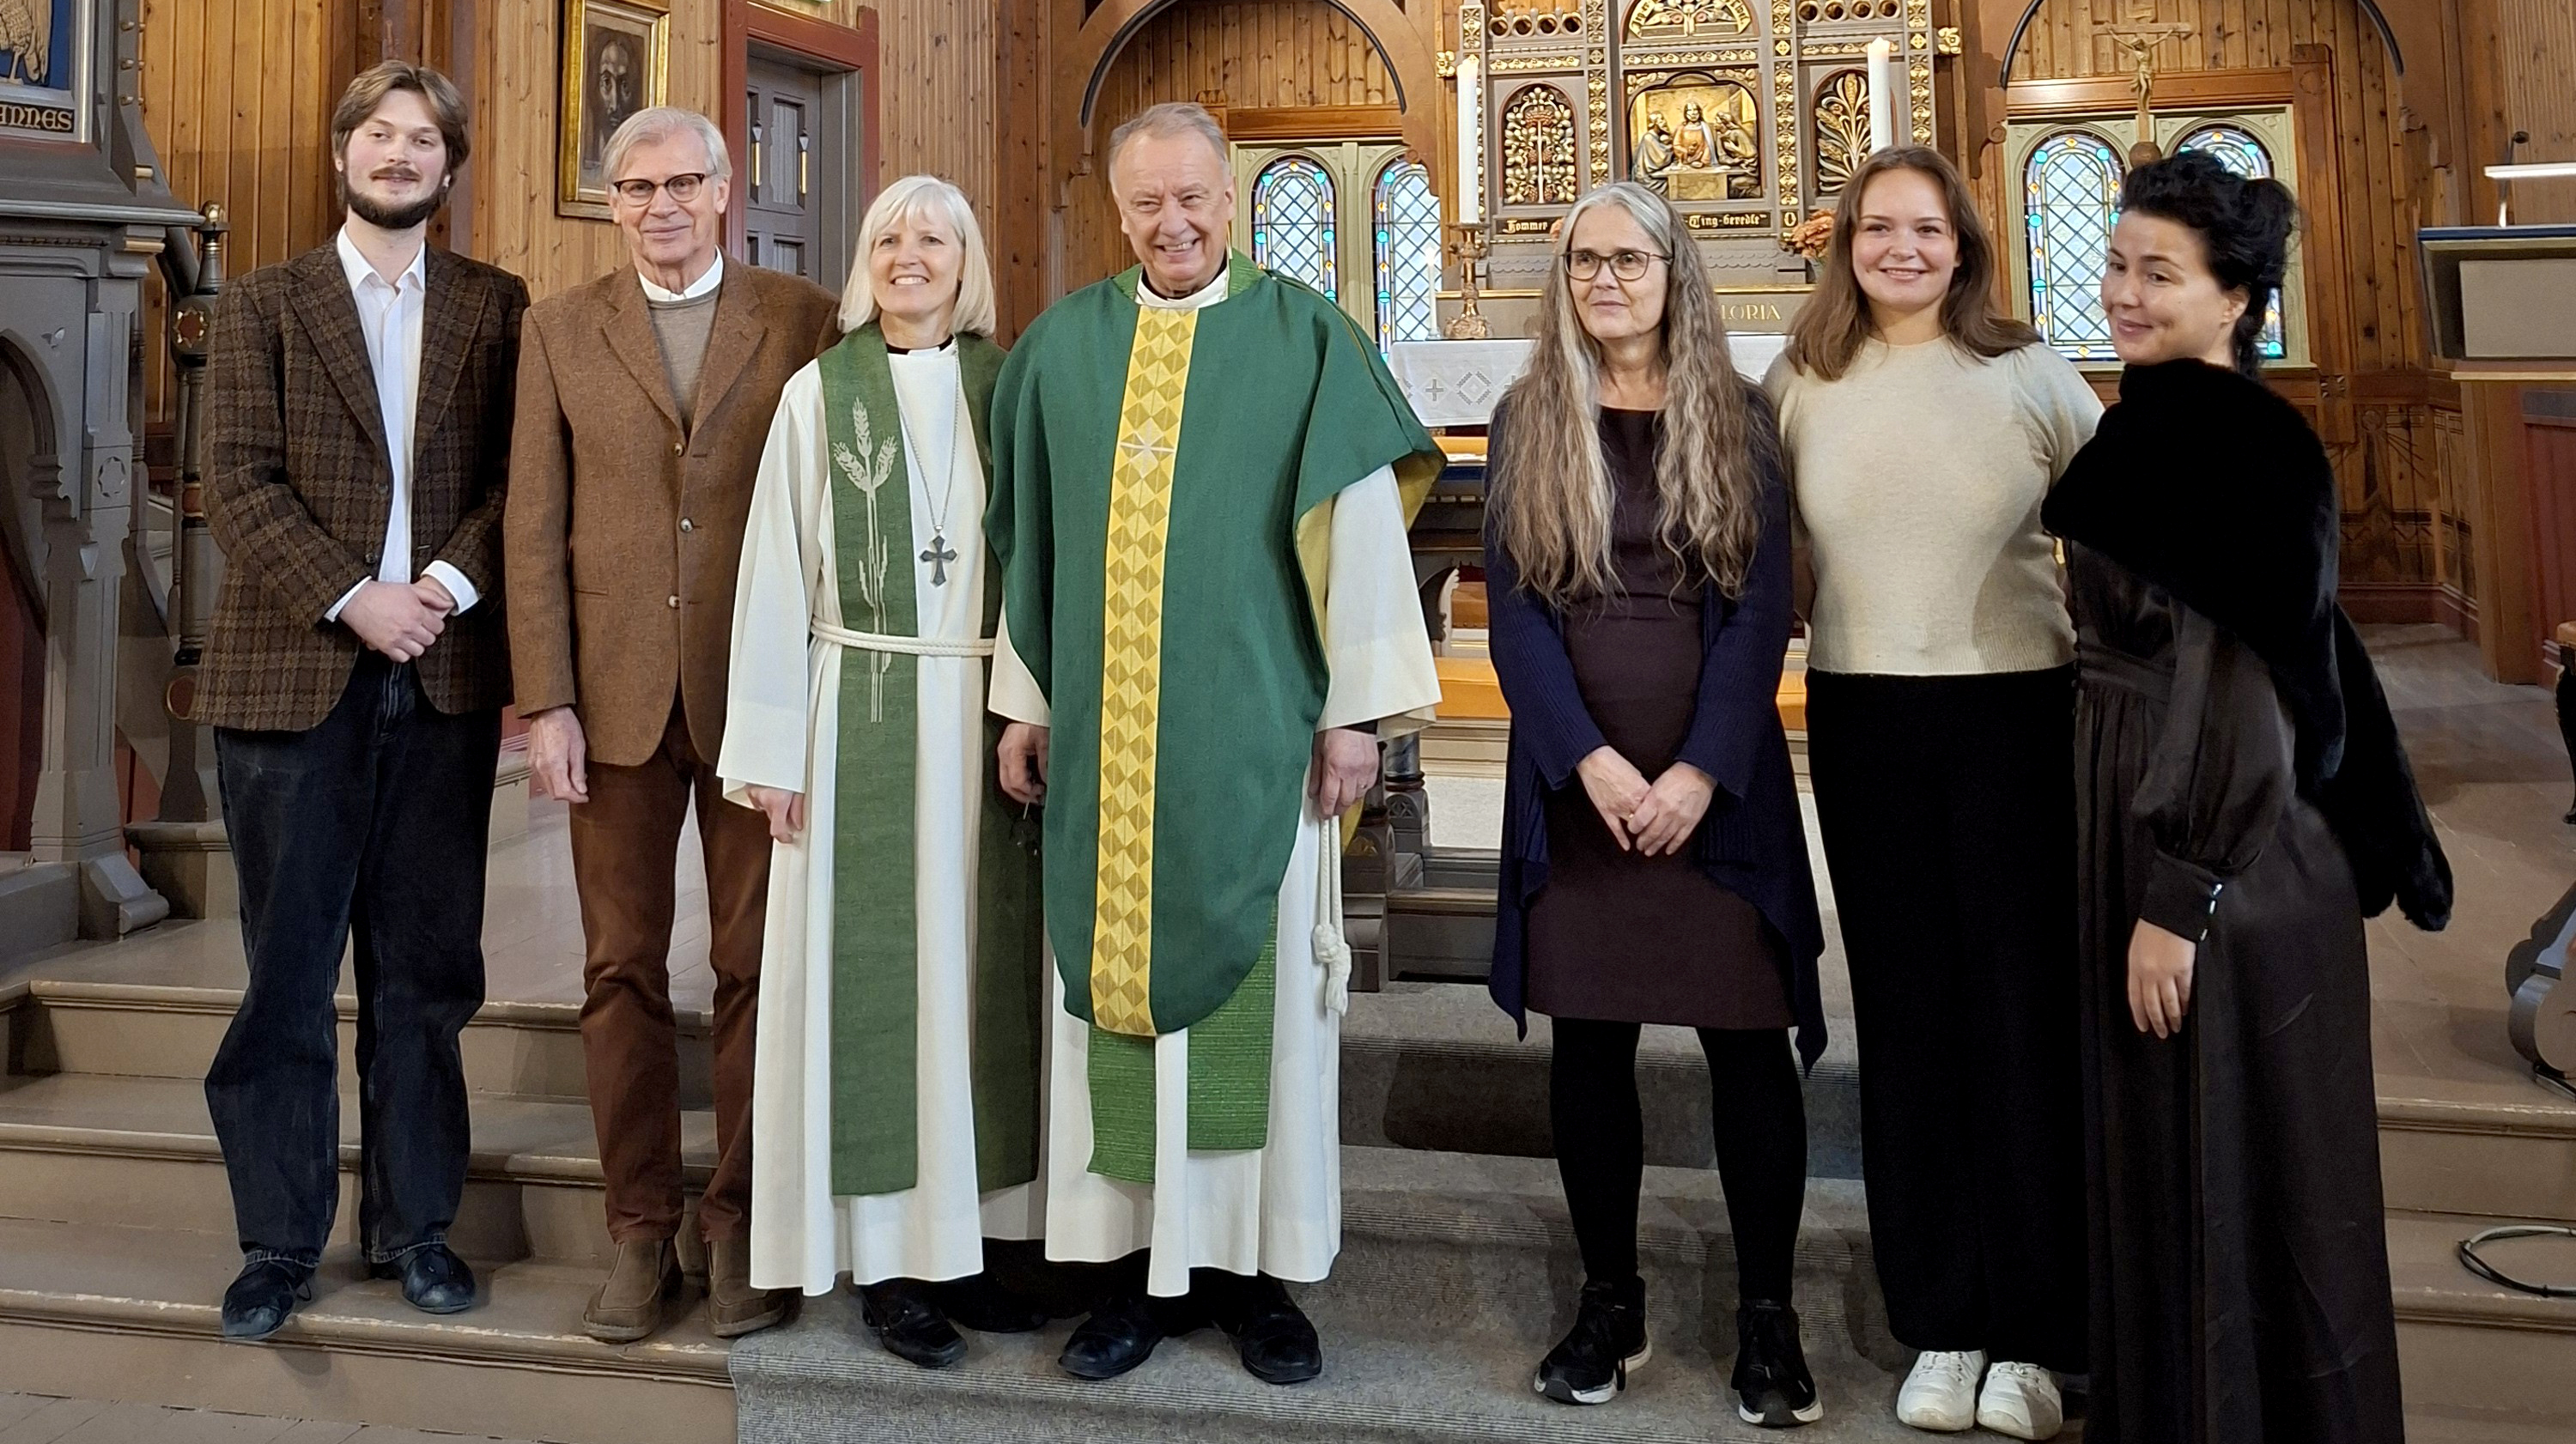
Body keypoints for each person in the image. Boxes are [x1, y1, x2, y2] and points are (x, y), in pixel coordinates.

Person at [985, 100, 1443, 1387]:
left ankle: (1254, 1277)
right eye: (1147, 203)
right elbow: (1034, 548)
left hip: (1262, 744)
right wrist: (1026, 697)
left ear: (1231, 197)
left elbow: (1357, 530)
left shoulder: (1305, 340)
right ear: (1115, 208)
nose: (1172, 222)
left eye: (1194, 197)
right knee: (1115, 1008)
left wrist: (1352, 710)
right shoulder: (1064, 349)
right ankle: (1132, 1273)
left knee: (1263, 1014)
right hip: (1106, 758)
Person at [2042, 150, 2450, 1444]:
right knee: (2177, 1163)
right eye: (2116, 263)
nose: (2123, 292)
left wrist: (2179, 890)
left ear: (2238, 300)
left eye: (2160, 274)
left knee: (2229, 1164)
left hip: (2225, 852)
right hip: (2159, 809)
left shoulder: (2231, 443)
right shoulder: (2163, 416)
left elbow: (2240, 689)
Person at [1762, 145, 2099, 1441]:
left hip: (2015, 712)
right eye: (1877, 228)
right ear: (1845, 240)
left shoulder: (2029, 373)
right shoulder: (1805, 376)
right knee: (1904, 1012)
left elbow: (2120, 541)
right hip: (1863, 715)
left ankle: (2032, 1332)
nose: (1902, 249)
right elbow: (1770, 553)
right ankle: (1941, 1319)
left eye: (1928, 229)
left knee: (2018, 1011)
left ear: (1966, 243)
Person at [1482, 181, 1827, 1429]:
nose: (1607, 279)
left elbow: (1757, 613)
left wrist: (1696, 770)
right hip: (1583, 787)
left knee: (1748, 1045)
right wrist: (1586, 761)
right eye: (1584, 261)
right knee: (1591, 1046)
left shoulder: (1739, 416)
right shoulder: (1532, 417)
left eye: (1631, 258)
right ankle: (1611, 1299)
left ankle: (1770, 1319)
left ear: (1677, 271)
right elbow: (1515, 613)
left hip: (1713, 784)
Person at [197, 60, 525, 1340]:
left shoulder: (498, 306)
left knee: (428, 974)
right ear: (344, 154)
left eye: (423, 139)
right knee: (286, 975)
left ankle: (416, 1227)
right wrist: (355, 594)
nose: (399, 155)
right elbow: (236, 477)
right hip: (294, 674)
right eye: (378, 135)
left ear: (450, 165)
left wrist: (437, 584)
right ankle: (278, 1241)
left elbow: (518, 481)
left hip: (442, 674)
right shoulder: (266, 302)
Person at [504, 105, 840, 1344]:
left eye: (682, 182)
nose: (659, 205)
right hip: (615, 697)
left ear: (725, 188)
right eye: (634, 188)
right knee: (620, 969)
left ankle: (739, 1219)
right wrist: (546, 702)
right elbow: (531, 527)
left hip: (759, 692)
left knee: (758, 967)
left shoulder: (802, 319)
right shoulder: (557, 330)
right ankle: (641, 1227)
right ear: (612, 203)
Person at [720, 174, 1050, 1368]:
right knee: (884, 985)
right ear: (867, 262)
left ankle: (986, 1240)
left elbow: (1042, 556)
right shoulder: (821, 392)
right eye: (892, 239)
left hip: (987, 710)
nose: (912, 257)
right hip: (854, 709)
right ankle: (891, 1260)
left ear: (968, 262)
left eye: (936, 238)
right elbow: (771, 572)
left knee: (979, 981)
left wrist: (1037, 700)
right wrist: (768, 750)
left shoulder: (1010, 384)